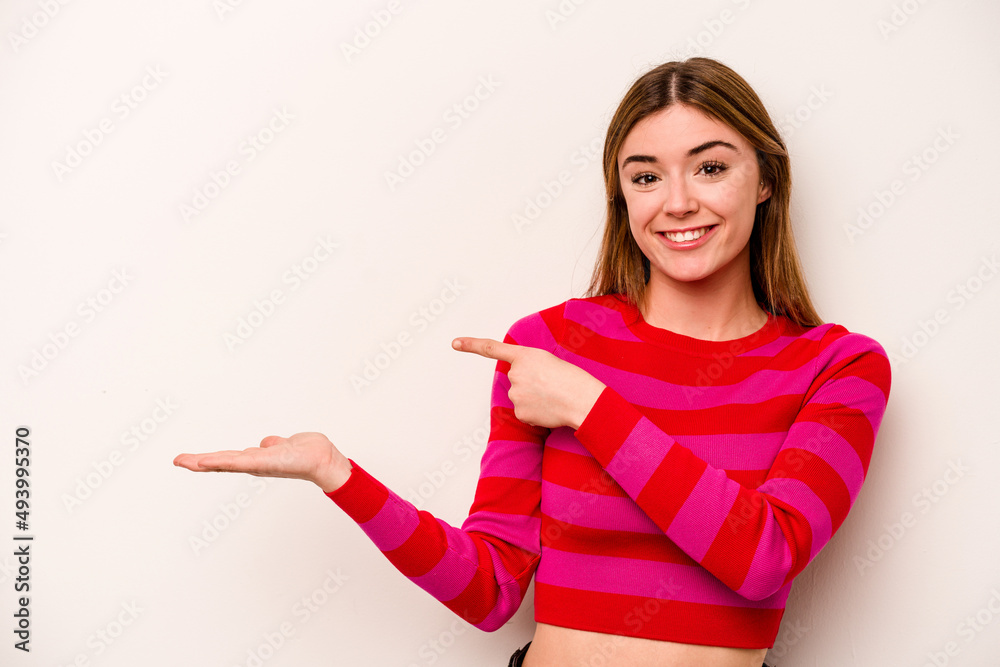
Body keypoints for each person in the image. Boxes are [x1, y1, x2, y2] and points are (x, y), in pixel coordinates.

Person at [174, 57, 891, 667]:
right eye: (645, 177)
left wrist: (590, 406)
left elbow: (762, 555)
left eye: (709, 167)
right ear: (621, 194)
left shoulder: (838, 366)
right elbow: (490, 590)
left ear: (765, 178)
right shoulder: (550, 344)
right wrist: (337, 472)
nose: (677, 203)